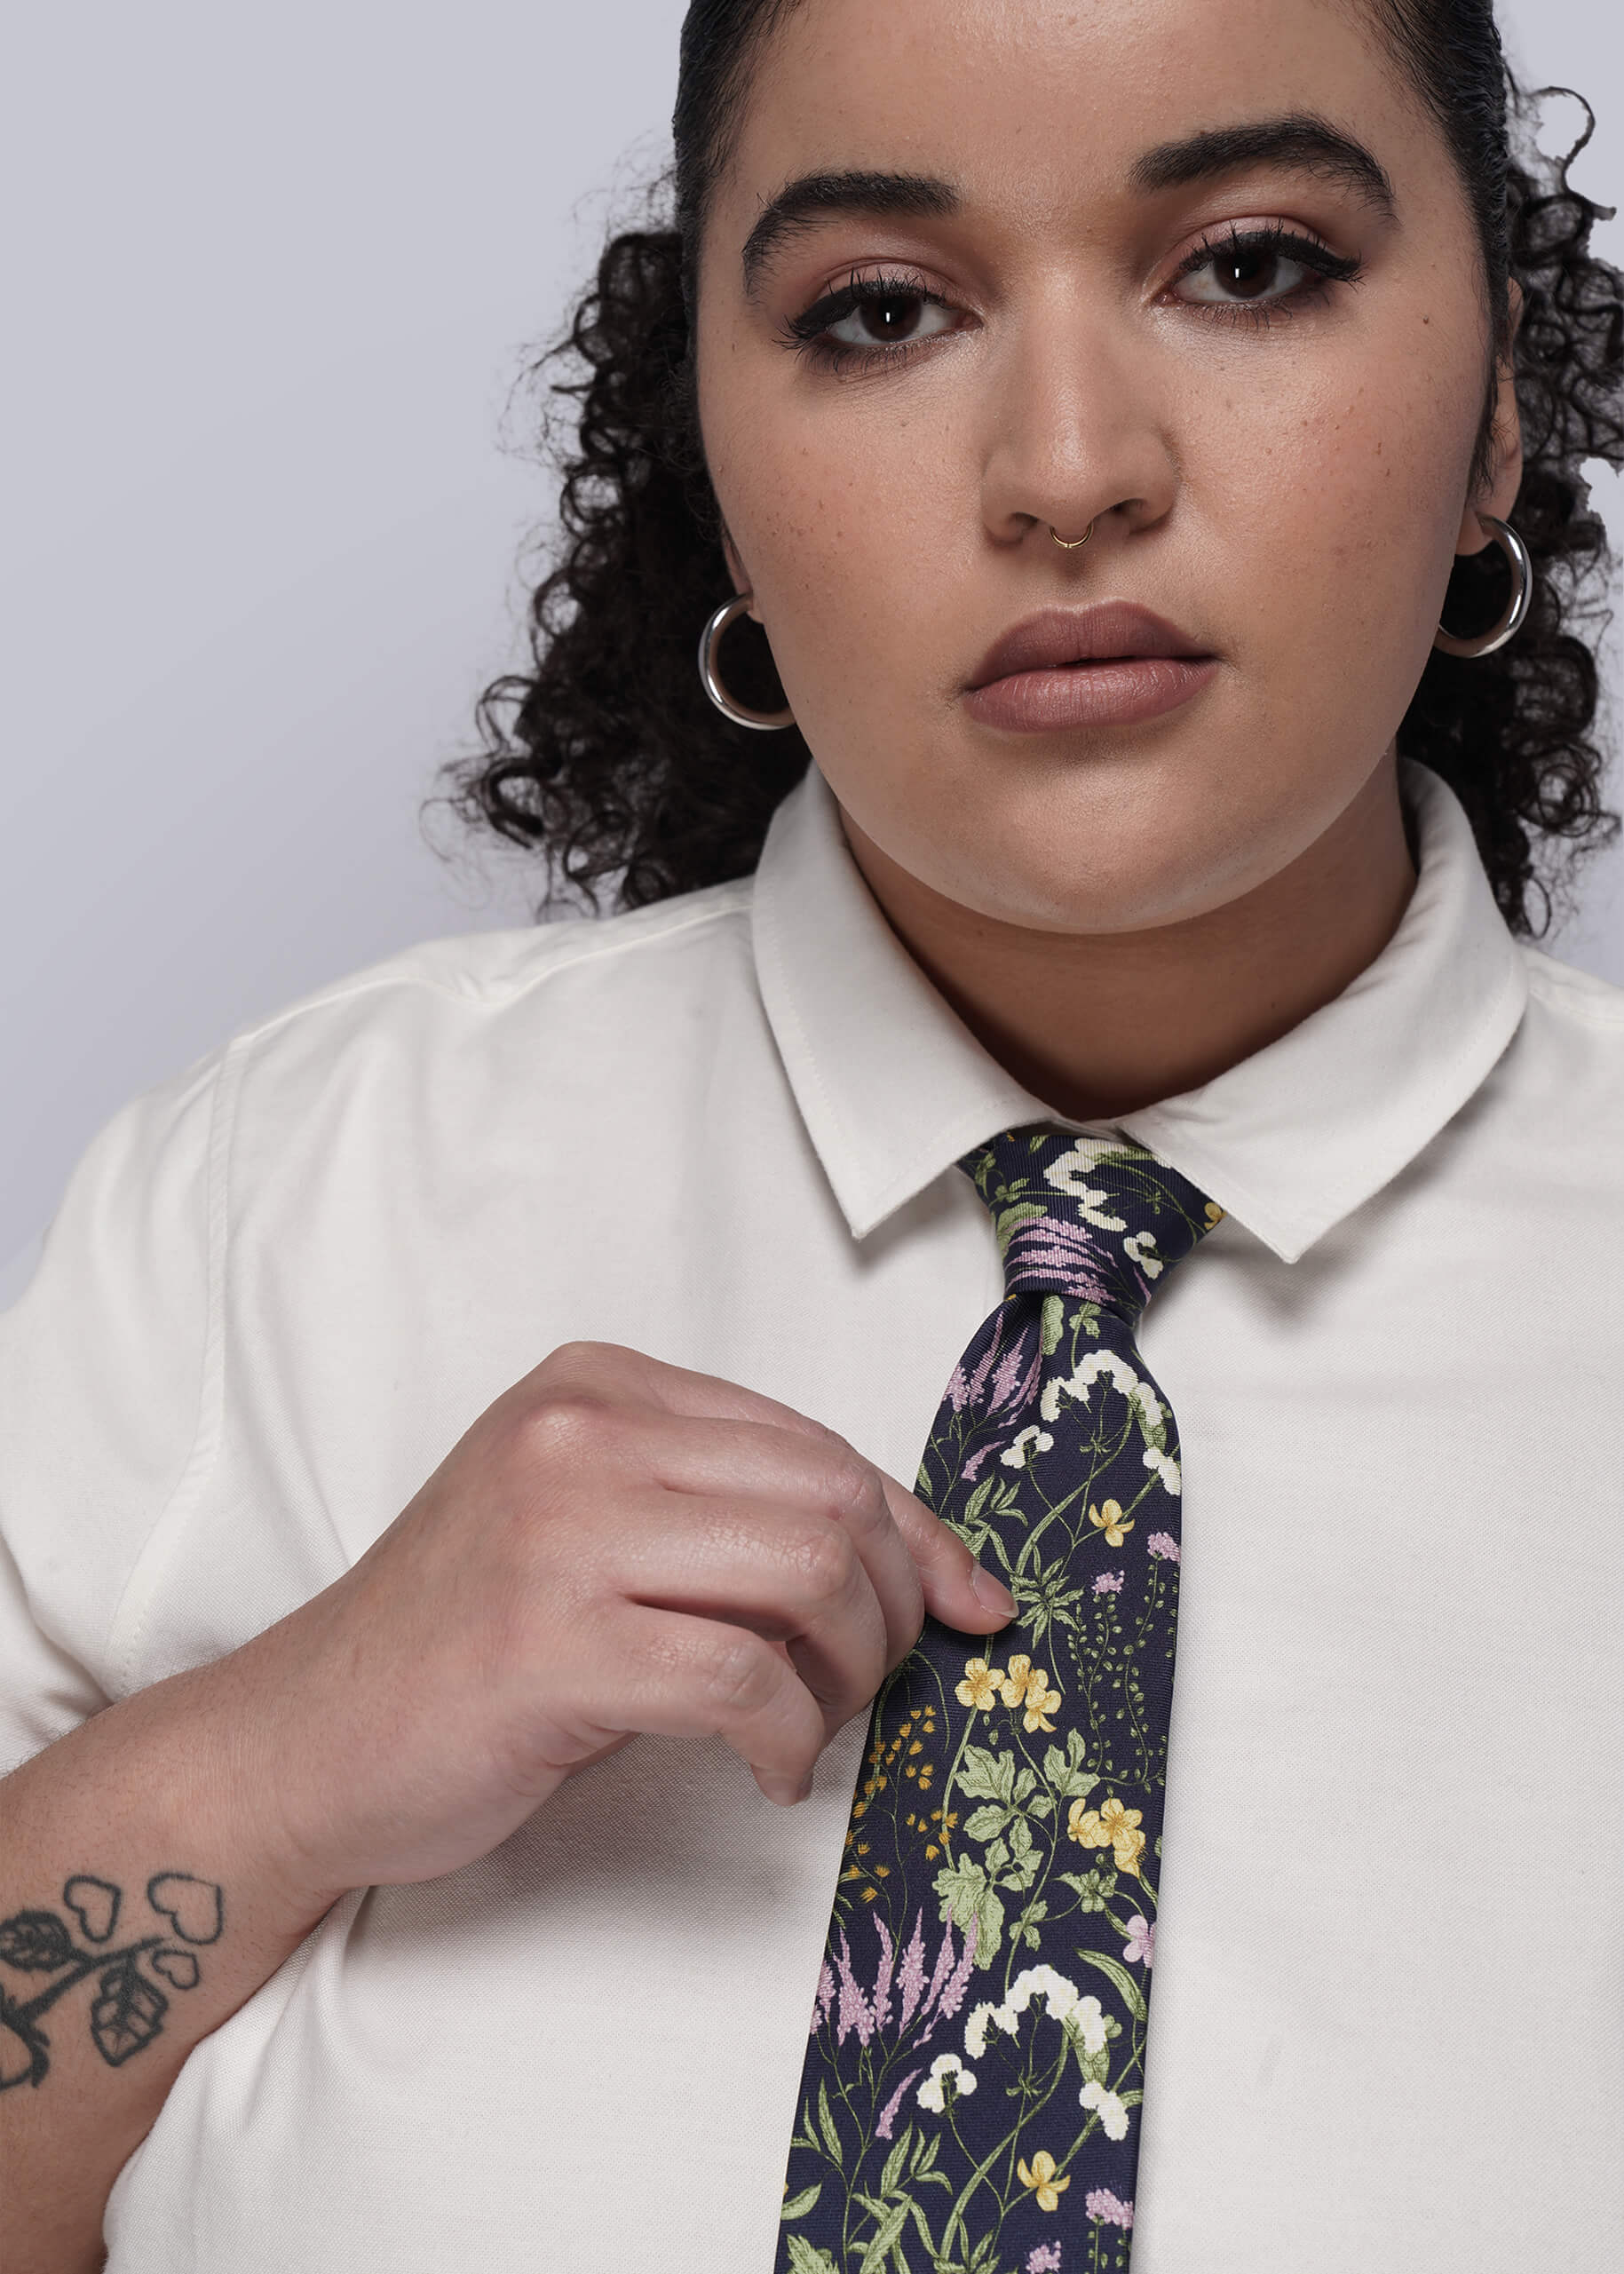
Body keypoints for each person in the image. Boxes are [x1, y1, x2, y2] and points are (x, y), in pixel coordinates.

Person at [4, 0, 1622, 2266]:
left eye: (1249, 266)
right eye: (881, 311)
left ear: (1498, 408)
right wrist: (270, 1762)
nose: (1070, 466)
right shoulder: (280, 1213)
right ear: (717, 461)